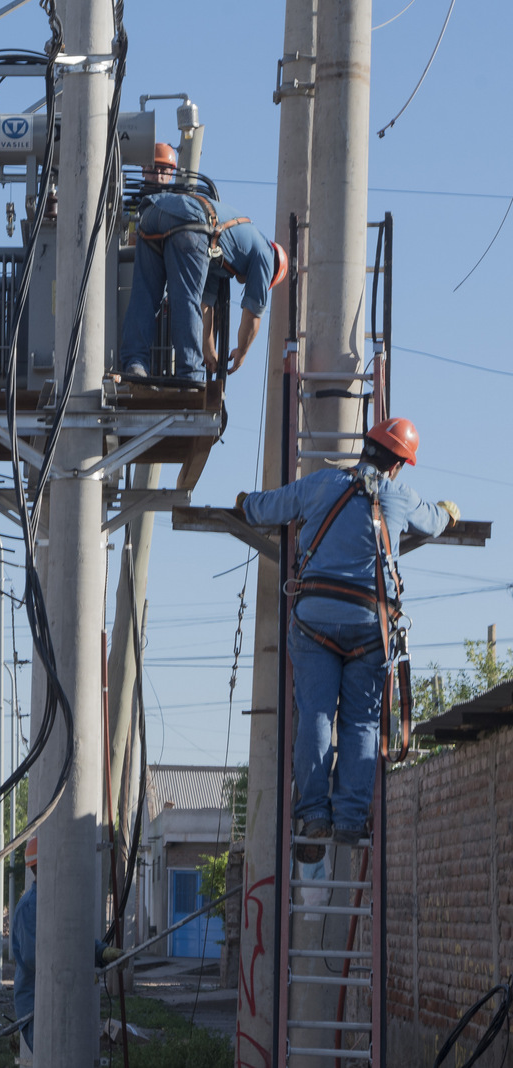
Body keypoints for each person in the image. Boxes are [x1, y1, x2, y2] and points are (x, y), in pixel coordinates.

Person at [239, 419, 459, 861]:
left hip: (315, 620)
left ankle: (315, 814)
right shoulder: (399, 495)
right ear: (398, 465)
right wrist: (448, 511)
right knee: (361, 723)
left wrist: (245, 502)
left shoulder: (321, 484)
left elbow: (264, 509)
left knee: (316, 715)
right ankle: (351, 819)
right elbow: (435, 522)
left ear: (366, 448)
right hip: (371, 627)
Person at [117, 191, 288, 383]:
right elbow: (252, 317)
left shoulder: (223, 254)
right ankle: (190, 375)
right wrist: (241, 352)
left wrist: (209, 350)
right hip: (189, 221)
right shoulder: (266, 256)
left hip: (152, 213)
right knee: (184, 299)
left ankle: (135, 364)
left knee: (145, 296)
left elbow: (204, 306)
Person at [10, 838, 121, 1053]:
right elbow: (37, 958)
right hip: (36, 1004)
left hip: (58, 997)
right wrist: (77, 971)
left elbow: (72, 941)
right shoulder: (30, 907)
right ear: (41, 866)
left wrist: (101, 952)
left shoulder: (57, 899)